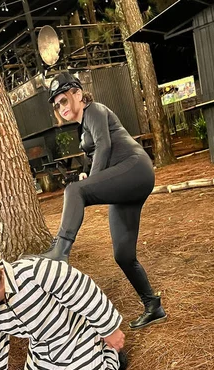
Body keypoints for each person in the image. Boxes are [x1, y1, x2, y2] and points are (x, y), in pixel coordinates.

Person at [42, 72, 167, 330]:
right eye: (56, 104)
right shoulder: (83, 124)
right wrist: (91, 176)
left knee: (74, 191)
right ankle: (153, 306)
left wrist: (91, 183)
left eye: (64, 100)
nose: (61, 107)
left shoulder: (95, 110)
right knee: (123, 254)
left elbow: (104, 146)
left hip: (135, 169)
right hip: (126, 183)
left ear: (78, 94)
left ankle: (59, 253)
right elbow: (98, 152)